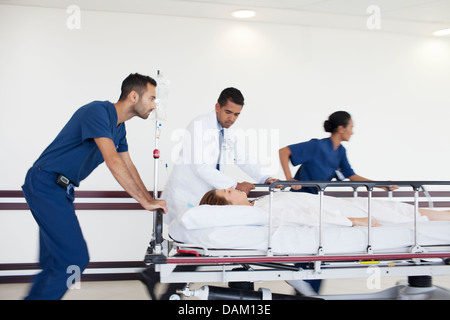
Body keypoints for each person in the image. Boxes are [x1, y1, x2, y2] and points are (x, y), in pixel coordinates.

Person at [21, 73, 168, 300]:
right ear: (133, 96)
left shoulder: (119, 129)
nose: (154, 105)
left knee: (54, 263)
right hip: (45, 184)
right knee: (74, 259)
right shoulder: (97, 112)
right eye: (151, 98)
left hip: (60, 190)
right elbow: (113, 161)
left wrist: (148, 198)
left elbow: (128, 165)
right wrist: (144, 201)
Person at [162, 87, 278, 224]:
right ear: (217, 107)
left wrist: (265, 178)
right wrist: (235, 185)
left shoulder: (225, 131)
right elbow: (200, 167)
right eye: (228, 112)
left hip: (205, 197)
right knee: (184, 234)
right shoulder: (199, 125)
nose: (231, 118)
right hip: (186, 195)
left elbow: (242, 158)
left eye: (236, 114)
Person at [200, 187, 450, 226]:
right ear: (228, 206)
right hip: (349, 213)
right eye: (228, 192)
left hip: (346, 205)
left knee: (409, 210)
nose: (233, 188)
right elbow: (308, 217)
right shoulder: (263, 212)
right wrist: (354, 222)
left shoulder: (261, 202)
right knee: (413, 215)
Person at [279, 111, 396, 194]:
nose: (352, 132)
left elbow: (352, 176)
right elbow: (284, 151)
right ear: (341, 129)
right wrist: (289, 178)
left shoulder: (340, 151)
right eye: (351, 128)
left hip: (315, 197)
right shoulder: (317, 146)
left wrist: (382, 185)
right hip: (300, 195)